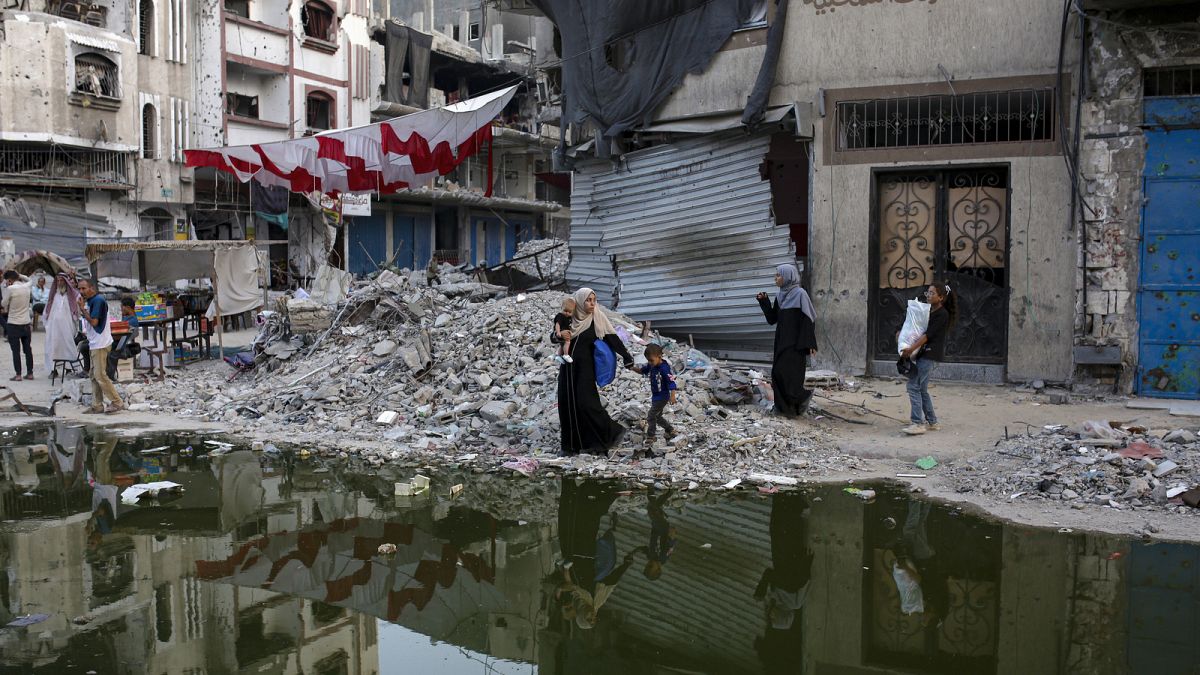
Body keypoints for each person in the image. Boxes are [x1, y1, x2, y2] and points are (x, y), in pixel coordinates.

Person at [554, 287, 635, 455]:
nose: (591, 304)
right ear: (580, 302)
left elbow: (612, 338)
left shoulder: (597, 318)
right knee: (567, 404)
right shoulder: (569, 318)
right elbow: (553, 336)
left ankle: (609, 434)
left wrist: (627, 357)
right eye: (588, 300)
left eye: (593, 300)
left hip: (585, 369)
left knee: (587, 403)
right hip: (567, 369)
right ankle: (570, 446)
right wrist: (559, 335)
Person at [756, 263, 818, 418]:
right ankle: (783, 408)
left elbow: (808, 320)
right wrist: (764, 302)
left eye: (778, 275)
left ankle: (801, 399)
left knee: (791, 377)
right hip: (781, 342)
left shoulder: (800, 294)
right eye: (776, 275)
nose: (775, 278)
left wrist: (810, 343)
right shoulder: (780, 296)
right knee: (777, 373)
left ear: (788, 276)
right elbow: (772, 319)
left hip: (796, 344)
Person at [899, 282, 956, 435]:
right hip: (925, 354)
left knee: (913, 386)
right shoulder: (929, 311)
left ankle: (917, 423)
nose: (929, 296)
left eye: (932, 293)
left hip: (930, 354)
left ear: (941, 297)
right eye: (928, 293)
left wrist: (911, 348)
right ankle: (933, 422)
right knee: (922, 389)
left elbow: (927, 336)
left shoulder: (942, 314)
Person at [76, 278, 123, 414]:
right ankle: (97, 405)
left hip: (100, 344)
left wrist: (82, 309)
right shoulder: (92, 301)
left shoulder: (98, 301)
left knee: (100, 375)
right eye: (79, 289)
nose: (81, 291)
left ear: (92, 288)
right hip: (95, 342)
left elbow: (95, 322)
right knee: (93, 375)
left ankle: (117, 401)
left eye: (84, 288)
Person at [637, 343, 678, 454]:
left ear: (659, 356)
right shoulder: (652, 365)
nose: (650, 363)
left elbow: (671, 381)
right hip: (656, 396)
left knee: (651, 415)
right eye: (648, 361)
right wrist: (632, 368)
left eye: (651, 360)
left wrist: (673, 395)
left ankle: (651, 436)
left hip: (663, 396)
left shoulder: (664, 368)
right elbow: (643, 371)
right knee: (657, 416)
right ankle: (670, 430)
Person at [42, 273, 82, 376]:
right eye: (58, 281)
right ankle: (53, 370)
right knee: (53, 347)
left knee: (67, 346)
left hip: (67, 327)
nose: (60, 283)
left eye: (62, 281)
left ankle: (68, 369)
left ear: (66, 282)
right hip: (54, 328)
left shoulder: (73, 296)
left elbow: (77, 312)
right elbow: (47, 311)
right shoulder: (54, 295)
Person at [2, 271, 34, 381]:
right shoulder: (26, 287)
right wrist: (20, 275)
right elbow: (30, 280)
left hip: (13, 324)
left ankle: (18, 374)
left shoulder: (10, 289)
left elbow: (3, 304)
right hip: (26, 323)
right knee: (27, 350)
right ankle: (30, 373)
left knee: (16, 351)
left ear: (9, 280)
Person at [641, 488, 676, 581]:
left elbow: (644, 549)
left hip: (656, 528)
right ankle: (651, 488)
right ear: (658, 569)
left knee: (655, 508)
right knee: (651, 509)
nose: (649, 564)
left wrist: (632, 554)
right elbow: (671, 543)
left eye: (647, 566)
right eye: (650, 567)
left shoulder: (652, 557)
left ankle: (668, 492)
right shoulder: (663, 556)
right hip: (663, 528)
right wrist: (671, 532)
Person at [551, 295, 575, 365]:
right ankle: (566, 354)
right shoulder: (560, 316)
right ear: (561, 308)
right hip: (561, 332)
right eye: (565, 311)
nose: (567, 313)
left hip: (564, 332)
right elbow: (557, 324)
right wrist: (558, 332)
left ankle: (558, 355)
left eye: (570, 312)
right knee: (567, 342)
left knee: (562, 345)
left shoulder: (569, 317)